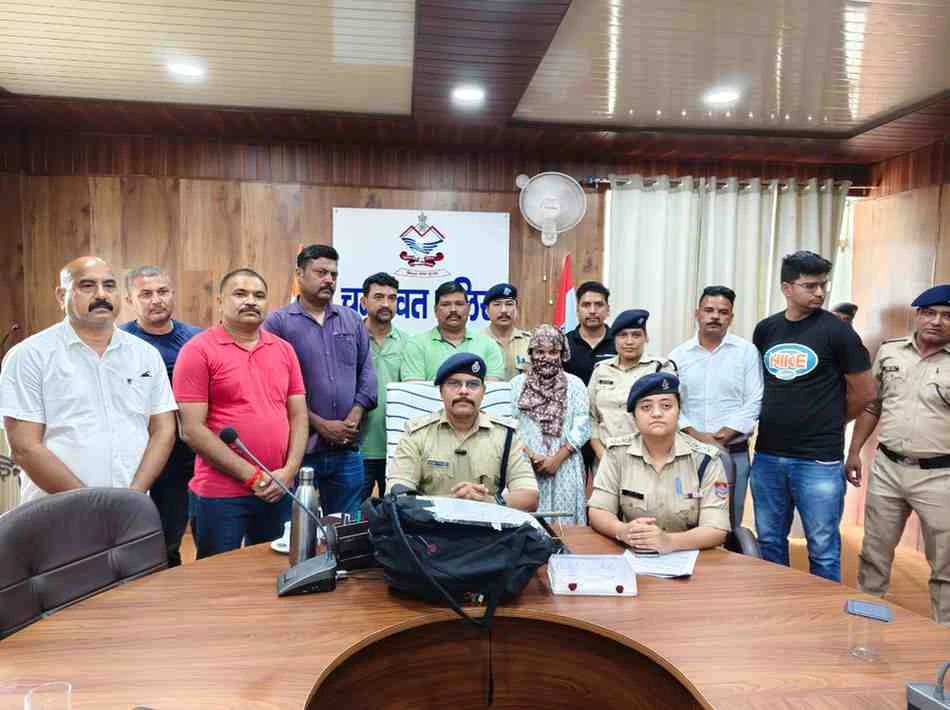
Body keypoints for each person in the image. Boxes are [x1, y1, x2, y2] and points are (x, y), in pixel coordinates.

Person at [0, 256, 177, 505]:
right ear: (61, 296)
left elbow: (163, 431)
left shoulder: (145, 355)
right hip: (57, 511)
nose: (101, 294)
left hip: (130, 510)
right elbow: (25, 447)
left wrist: (135, 496)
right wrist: (93, 506)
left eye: (109, 285)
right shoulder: (30, 356)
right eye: (87, 286)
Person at [750, 250, 874, 582]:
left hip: (818, 460)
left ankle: (825, 611)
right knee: (769, 541)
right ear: (786, 288)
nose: (819, 293)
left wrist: (832, 420)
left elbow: (865, 393)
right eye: (810, 286)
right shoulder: (766, 330)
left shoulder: (838, 332)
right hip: (768, 455)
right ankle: (776, 604)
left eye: (823, 285)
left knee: (823, 547)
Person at [174, 269, 308, 559]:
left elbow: (298, 416)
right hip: (220, 495)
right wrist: (252, 477)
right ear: (220, 301)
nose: (251, 301)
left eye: (259, 295)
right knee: (221, 579)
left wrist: (289, 471)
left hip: (279, 488)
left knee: (274, 574)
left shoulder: (284, 350)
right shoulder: (197, 351)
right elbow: (192, 430)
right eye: (240, 294)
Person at [848, 284, 950, 625]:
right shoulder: (890, 352)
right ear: (918, 315)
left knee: (945, 564)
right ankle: (864, 628)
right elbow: (872, 405)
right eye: (930, 313)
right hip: (888, 468)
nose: (937, 321)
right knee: (873, 554)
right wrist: (854, 450)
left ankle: (942, 637)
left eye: (947, 316)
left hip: (941, 475)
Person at [263, 244, 376, 518]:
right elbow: (273, 388)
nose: (329, 280)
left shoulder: (351, 320)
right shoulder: (278, 323)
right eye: (321, 272)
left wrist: (354, 416)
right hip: (298, 452)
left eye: (333, 274)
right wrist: (320, 424)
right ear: (300, 274)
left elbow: (367, 373)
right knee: (293, 528)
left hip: (346, 449)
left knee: (344, 529)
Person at [588, 373, 730, 552]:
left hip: (695, 556)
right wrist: (622, 530)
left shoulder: (705, 459)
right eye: (646, 407)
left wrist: (669, 541)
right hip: (634, 552)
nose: (656, 413)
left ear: (679, 412)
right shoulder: (617, 454)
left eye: (666, 406)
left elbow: (716, 529)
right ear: (634, 418)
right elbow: (598, 510)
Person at [120, 265, 202, 567]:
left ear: (173, 294)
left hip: (183, 454)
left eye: (163, 291)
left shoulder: (196, 340)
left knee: (170, 537)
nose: (156, 300)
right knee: (129, 533)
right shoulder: (119, 342)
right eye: (146, 294)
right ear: (130, 300)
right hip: (135, 452)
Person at [387, 353, 539, 512]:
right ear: (441, 391)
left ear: (483, 392)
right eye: (454, 384)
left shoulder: (505, 435)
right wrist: (451, 503)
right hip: (430, 524)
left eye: (473, 384)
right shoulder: (417, 434)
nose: (464, 391)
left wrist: (490, 501)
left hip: (488, 522)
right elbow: (396, 497)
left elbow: (530, 497)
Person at [669, 286, 762, 527]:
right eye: (708, 310)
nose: (715, 316)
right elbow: (671, 402)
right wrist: (697, 435)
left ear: (731, 317)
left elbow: (755, 399)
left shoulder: (746, 352)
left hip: (734, 452)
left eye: (723, 312)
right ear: (697, 314)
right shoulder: (678, 355)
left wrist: (724, 435)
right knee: (687, 515)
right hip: (689, 454)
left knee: (729, 519)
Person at [510, 325, 590, 524]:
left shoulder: (575, 384)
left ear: (562, 354)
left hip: (565, 465)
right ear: (531, 353)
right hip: (524, 465)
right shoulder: (516, 385)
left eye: (553, 352)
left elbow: (582, 427)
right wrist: (531, 456)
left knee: (566, 529)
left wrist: (556, 459)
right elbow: (508, 426)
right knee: (528, 527)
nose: (546, 357)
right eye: (540, 352)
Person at [589, 309, 675, 465]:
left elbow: (671, 417)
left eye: (636, 335)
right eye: (623, 335)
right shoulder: (601, 370)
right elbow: (591, 417)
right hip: (605, 458)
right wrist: (602, 455)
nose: (629, 342)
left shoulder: (659, 369)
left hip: (646, 459)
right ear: (614, 339)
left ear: (646, 338)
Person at [358, 272, 407, 502]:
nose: (386, 304)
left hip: (399, 450)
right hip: (358, 448)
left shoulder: (409, 343)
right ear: (363, 301)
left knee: (397, 515)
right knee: (353, 516)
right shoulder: (350, 338)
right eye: (378, 297)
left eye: (392, 298)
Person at [401, 280, 504, 382]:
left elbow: (491, 388)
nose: (453, 309)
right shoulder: (417, 345)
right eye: (446, 304)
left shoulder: (488, 345)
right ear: (436, 310)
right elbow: (414, 389)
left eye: (459, 304)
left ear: (468, 308)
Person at [563, 281, 616, 385]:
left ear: (608, 309)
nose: (592, 311)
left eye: (599, 305)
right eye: (586, 305)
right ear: (577, 309)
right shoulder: (564, 343)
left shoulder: (619, 342)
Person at [483, 283, 532, 380]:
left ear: (516, 308)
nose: (504, 310)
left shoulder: (530, 342)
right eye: (497, 304)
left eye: (509, 304)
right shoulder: (477, 341)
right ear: (487, 310)